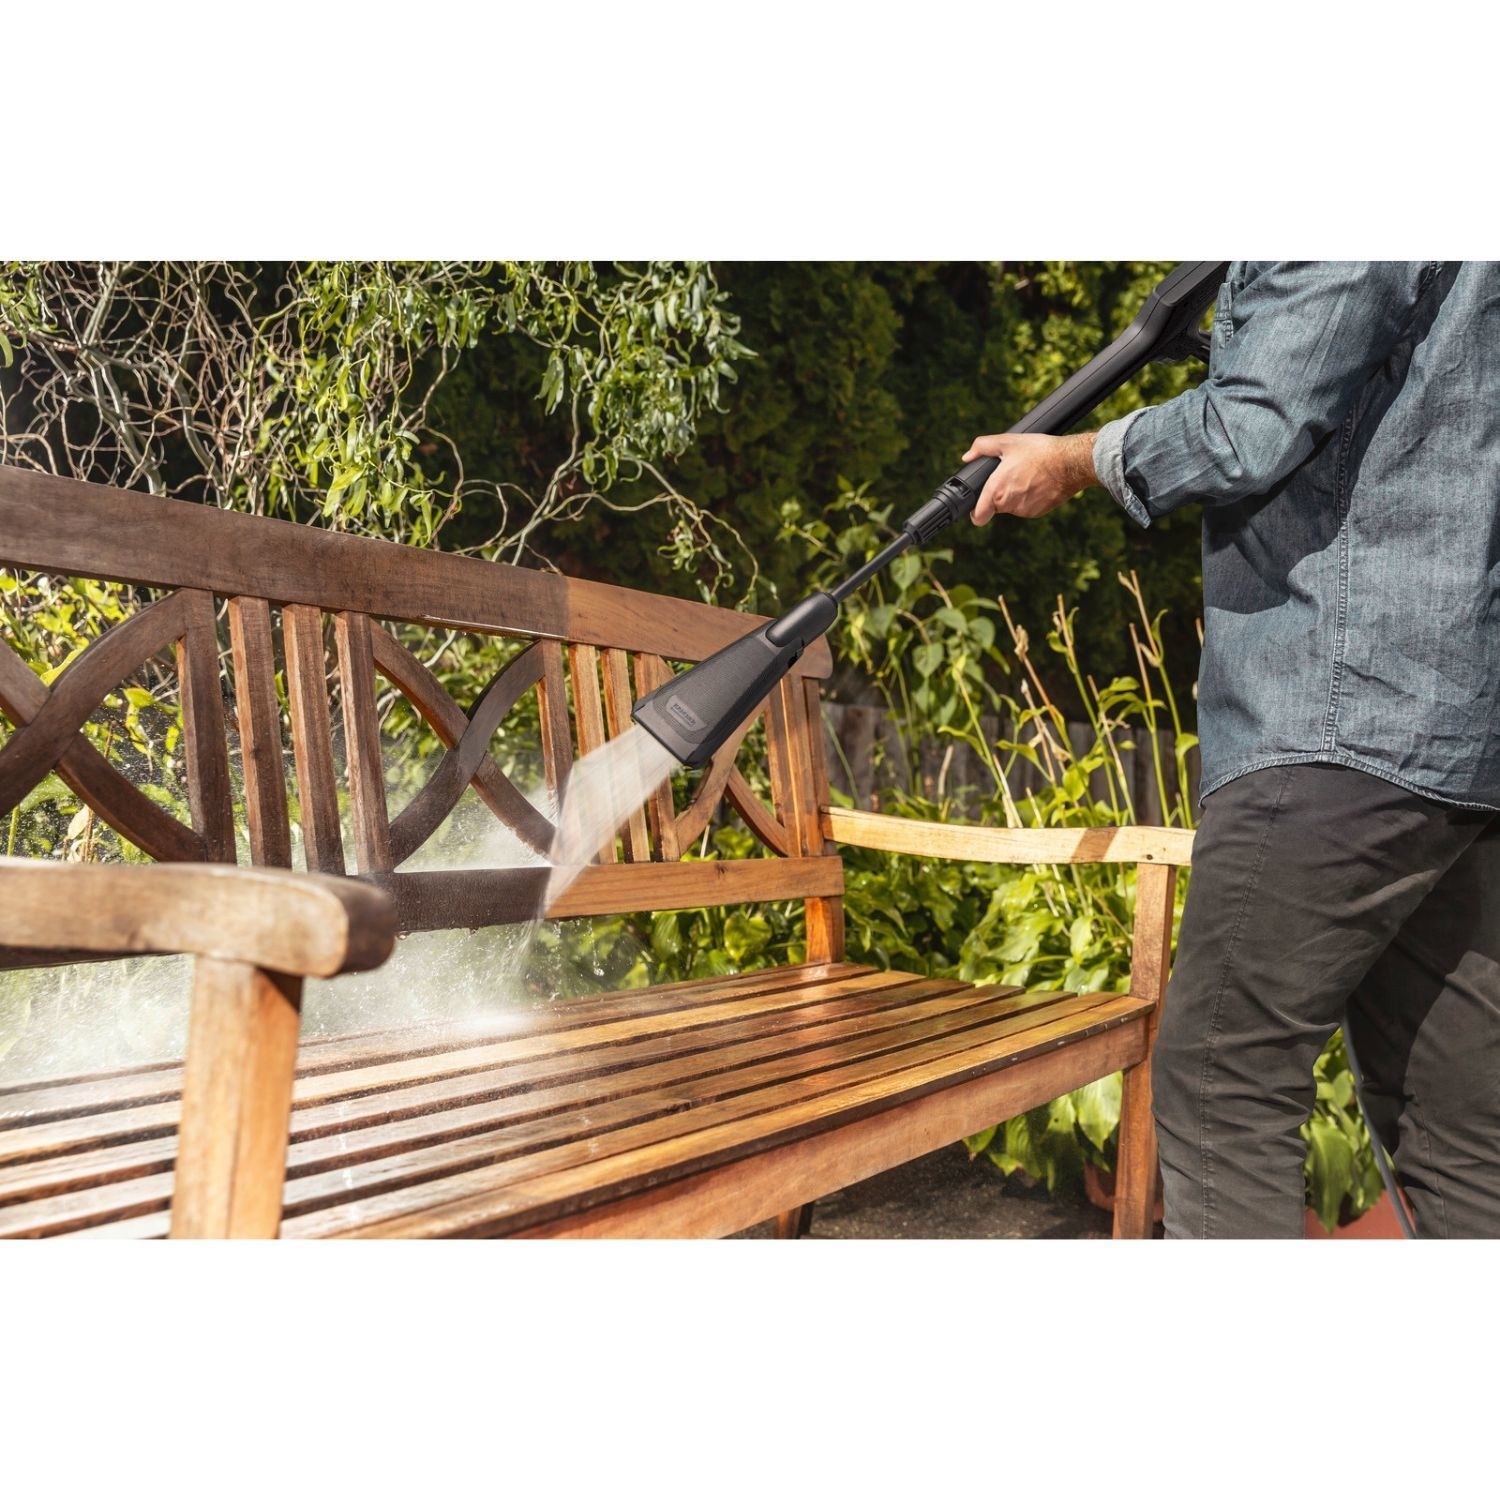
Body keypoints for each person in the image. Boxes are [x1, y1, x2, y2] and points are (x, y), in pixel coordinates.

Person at [965, 261, 1500, 1239]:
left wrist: (1076, 459)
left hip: (1341, 710)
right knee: (1458, 1130)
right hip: (1463, 739)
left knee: (1222, 1076)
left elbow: (1251, 424)